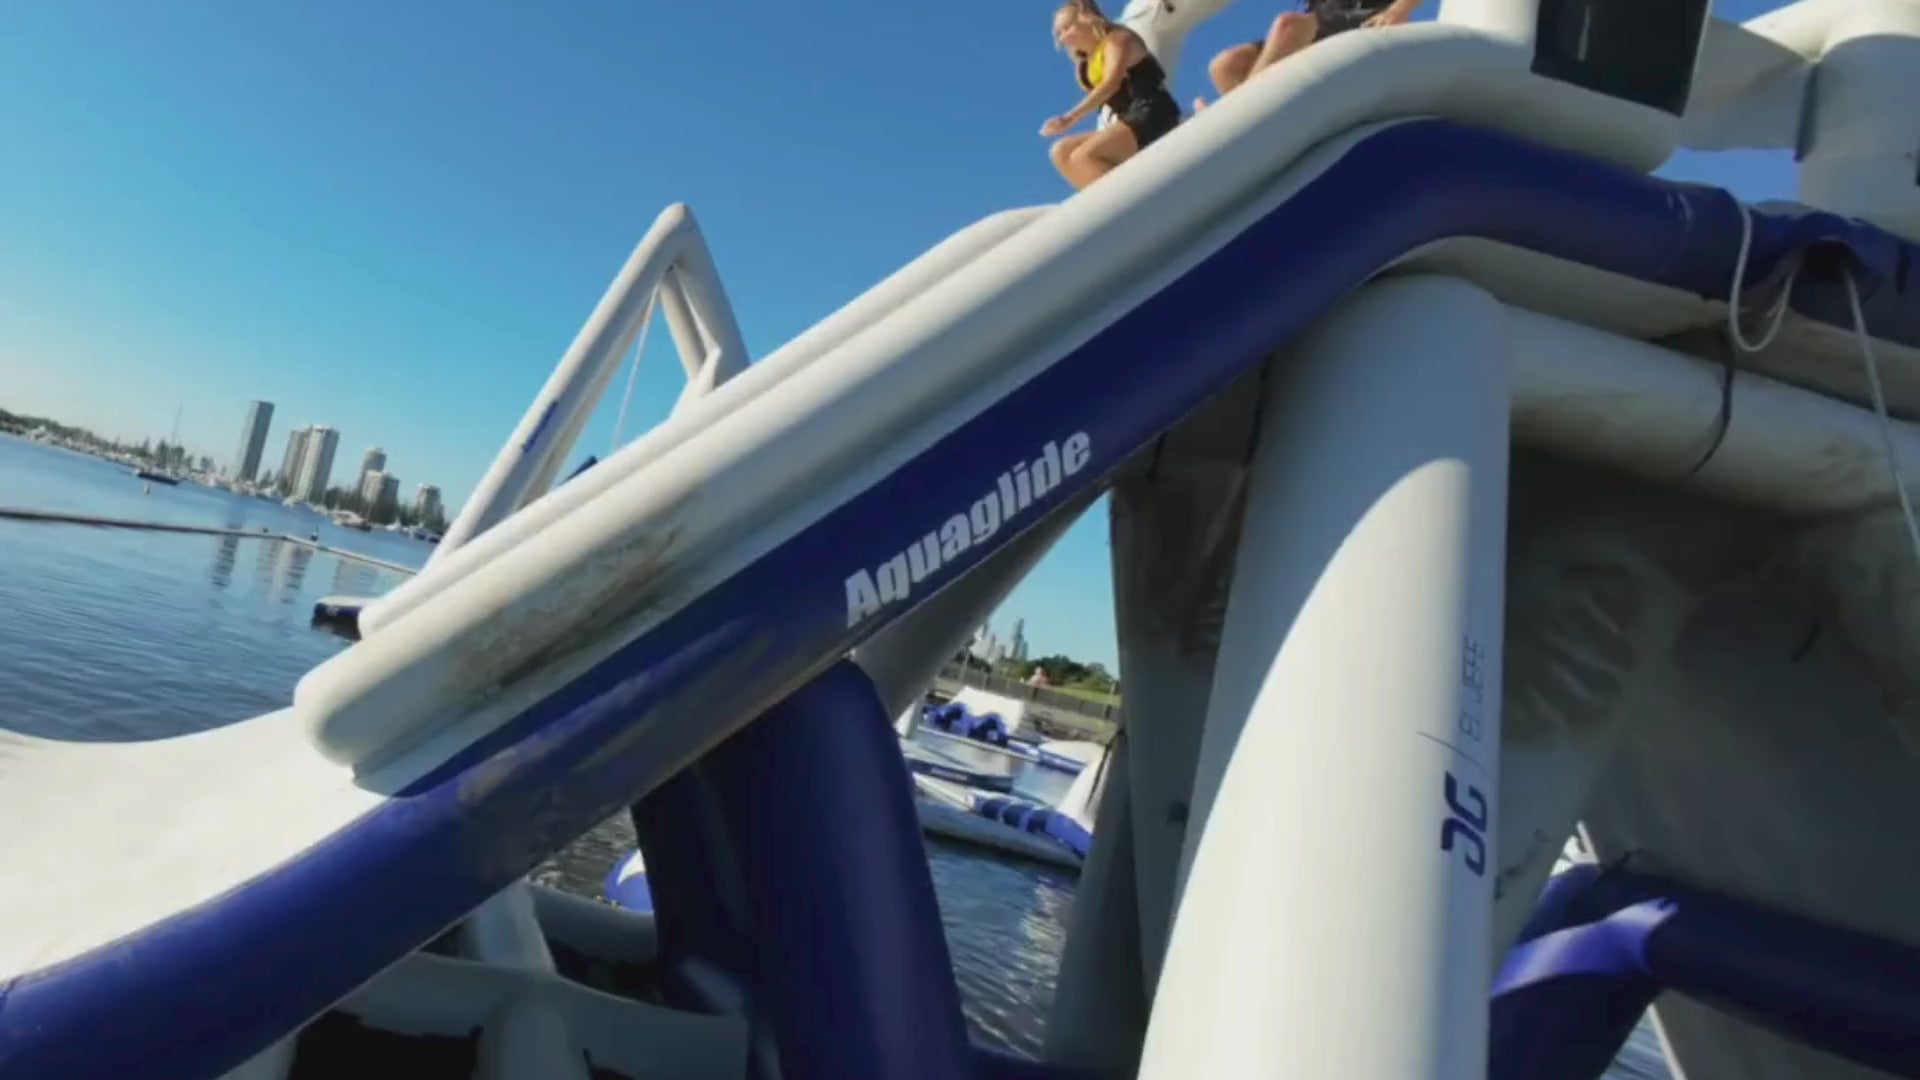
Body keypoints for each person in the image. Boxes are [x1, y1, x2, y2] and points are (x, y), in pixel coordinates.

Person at [1041, 0, 1183, 190]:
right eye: (1059, 33)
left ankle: (1130, 204)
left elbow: (1111, 84)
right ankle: (1101, 203)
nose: (1063, 37)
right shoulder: (1083, 65)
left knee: (1083, 156)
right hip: (1127, 119)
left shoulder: (1118, 39)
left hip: (1153, 113)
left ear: (1086, 19)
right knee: (1061, 151)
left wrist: (1070, 118)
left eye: (1067, 27)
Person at [1195, 0, 1421, 111]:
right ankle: (1250, 119)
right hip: (1320, 22)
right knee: (1224, 65)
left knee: (1287, 25)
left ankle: (1235, 118)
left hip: (1362, 17)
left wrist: (1398, 10)